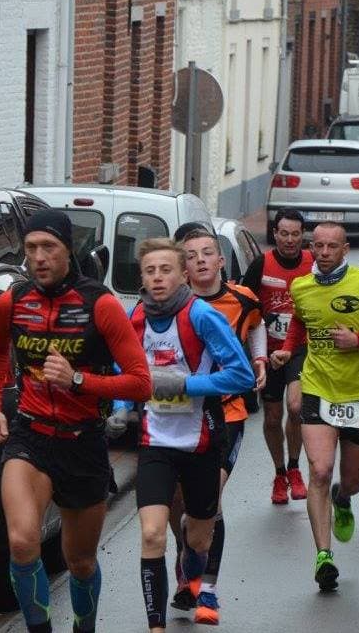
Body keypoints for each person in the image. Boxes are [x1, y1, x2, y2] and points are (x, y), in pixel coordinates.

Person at [0, 210, 153, 633]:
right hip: (30, 436)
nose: (39, 257)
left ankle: (83, 627)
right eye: (31, 249)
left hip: (83, 443)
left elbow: (141, 383)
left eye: (49, 247)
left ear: (67, 250)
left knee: (79, 561)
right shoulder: (14, 300)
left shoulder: (101, 304)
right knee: (22, 542)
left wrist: (78, 380)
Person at [272, 223, 359, 592]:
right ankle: (323, 557)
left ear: (346, 249)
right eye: (318, 246)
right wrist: (288, 348)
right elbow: (301, 322)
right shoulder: (301, 286)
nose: (325, 252)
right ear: (311, 247)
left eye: (332, 246)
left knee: (351, 479)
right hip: (318, 387)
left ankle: (343, 498)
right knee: (320, 469)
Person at [127, 238, 254, 632]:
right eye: (150, 271)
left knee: (198, 539)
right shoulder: (136, 319)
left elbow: (242, 375)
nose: (157, 278)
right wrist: (116, 404)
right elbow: (126, 374)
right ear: (142, 279)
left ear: (182, 274)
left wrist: (184, 385)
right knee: (151, 535)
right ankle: (156, 626)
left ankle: (192, 567)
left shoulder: (202, 316)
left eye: (165, 270)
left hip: (201, 441)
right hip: (155, 442)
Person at [166, 229, 266, 624]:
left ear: (221, 261)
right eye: (192, 256)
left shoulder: (243, 298)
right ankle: (187, 553)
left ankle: (207, 588)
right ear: (183, 267)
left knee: (211, 499)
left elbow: (256, 326)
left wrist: (258, 361)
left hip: (228, 412)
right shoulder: (173, 304)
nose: (202, 260)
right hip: (180, 414)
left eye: (209, 253)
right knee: (179, 505)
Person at [240, 209, 311, 504]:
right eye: (284, 233)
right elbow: (243, 302)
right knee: (272, 417)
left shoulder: (312, 262)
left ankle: (295, 468)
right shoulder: (261, 263)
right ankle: (279, 473)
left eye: (295, 234)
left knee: (295, 408)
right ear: (275, 234)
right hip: (268, 351)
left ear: (302, 235)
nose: (290, 240)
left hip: (300, 348)